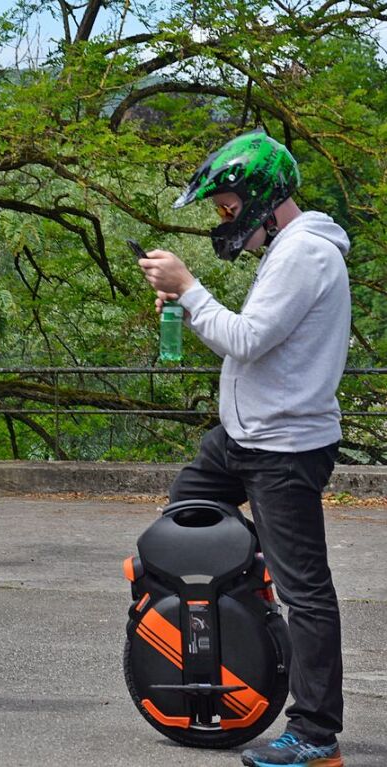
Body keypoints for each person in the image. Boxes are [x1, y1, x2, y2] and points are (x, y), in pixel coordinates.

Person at [138, 130, 349, 767]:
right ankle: (233, 619)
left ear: (261, 198)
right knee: (182, 521)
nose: (223, 219)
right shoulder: (286, 253)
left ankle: (315, 736)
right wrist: (189, 302)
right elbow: (250, 339)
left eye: (228, 206)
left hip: (283, 449)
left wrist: (191, 287)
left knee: (306, 591)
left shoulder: (304, 254)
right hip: (241, 440)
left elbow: (248, 339)